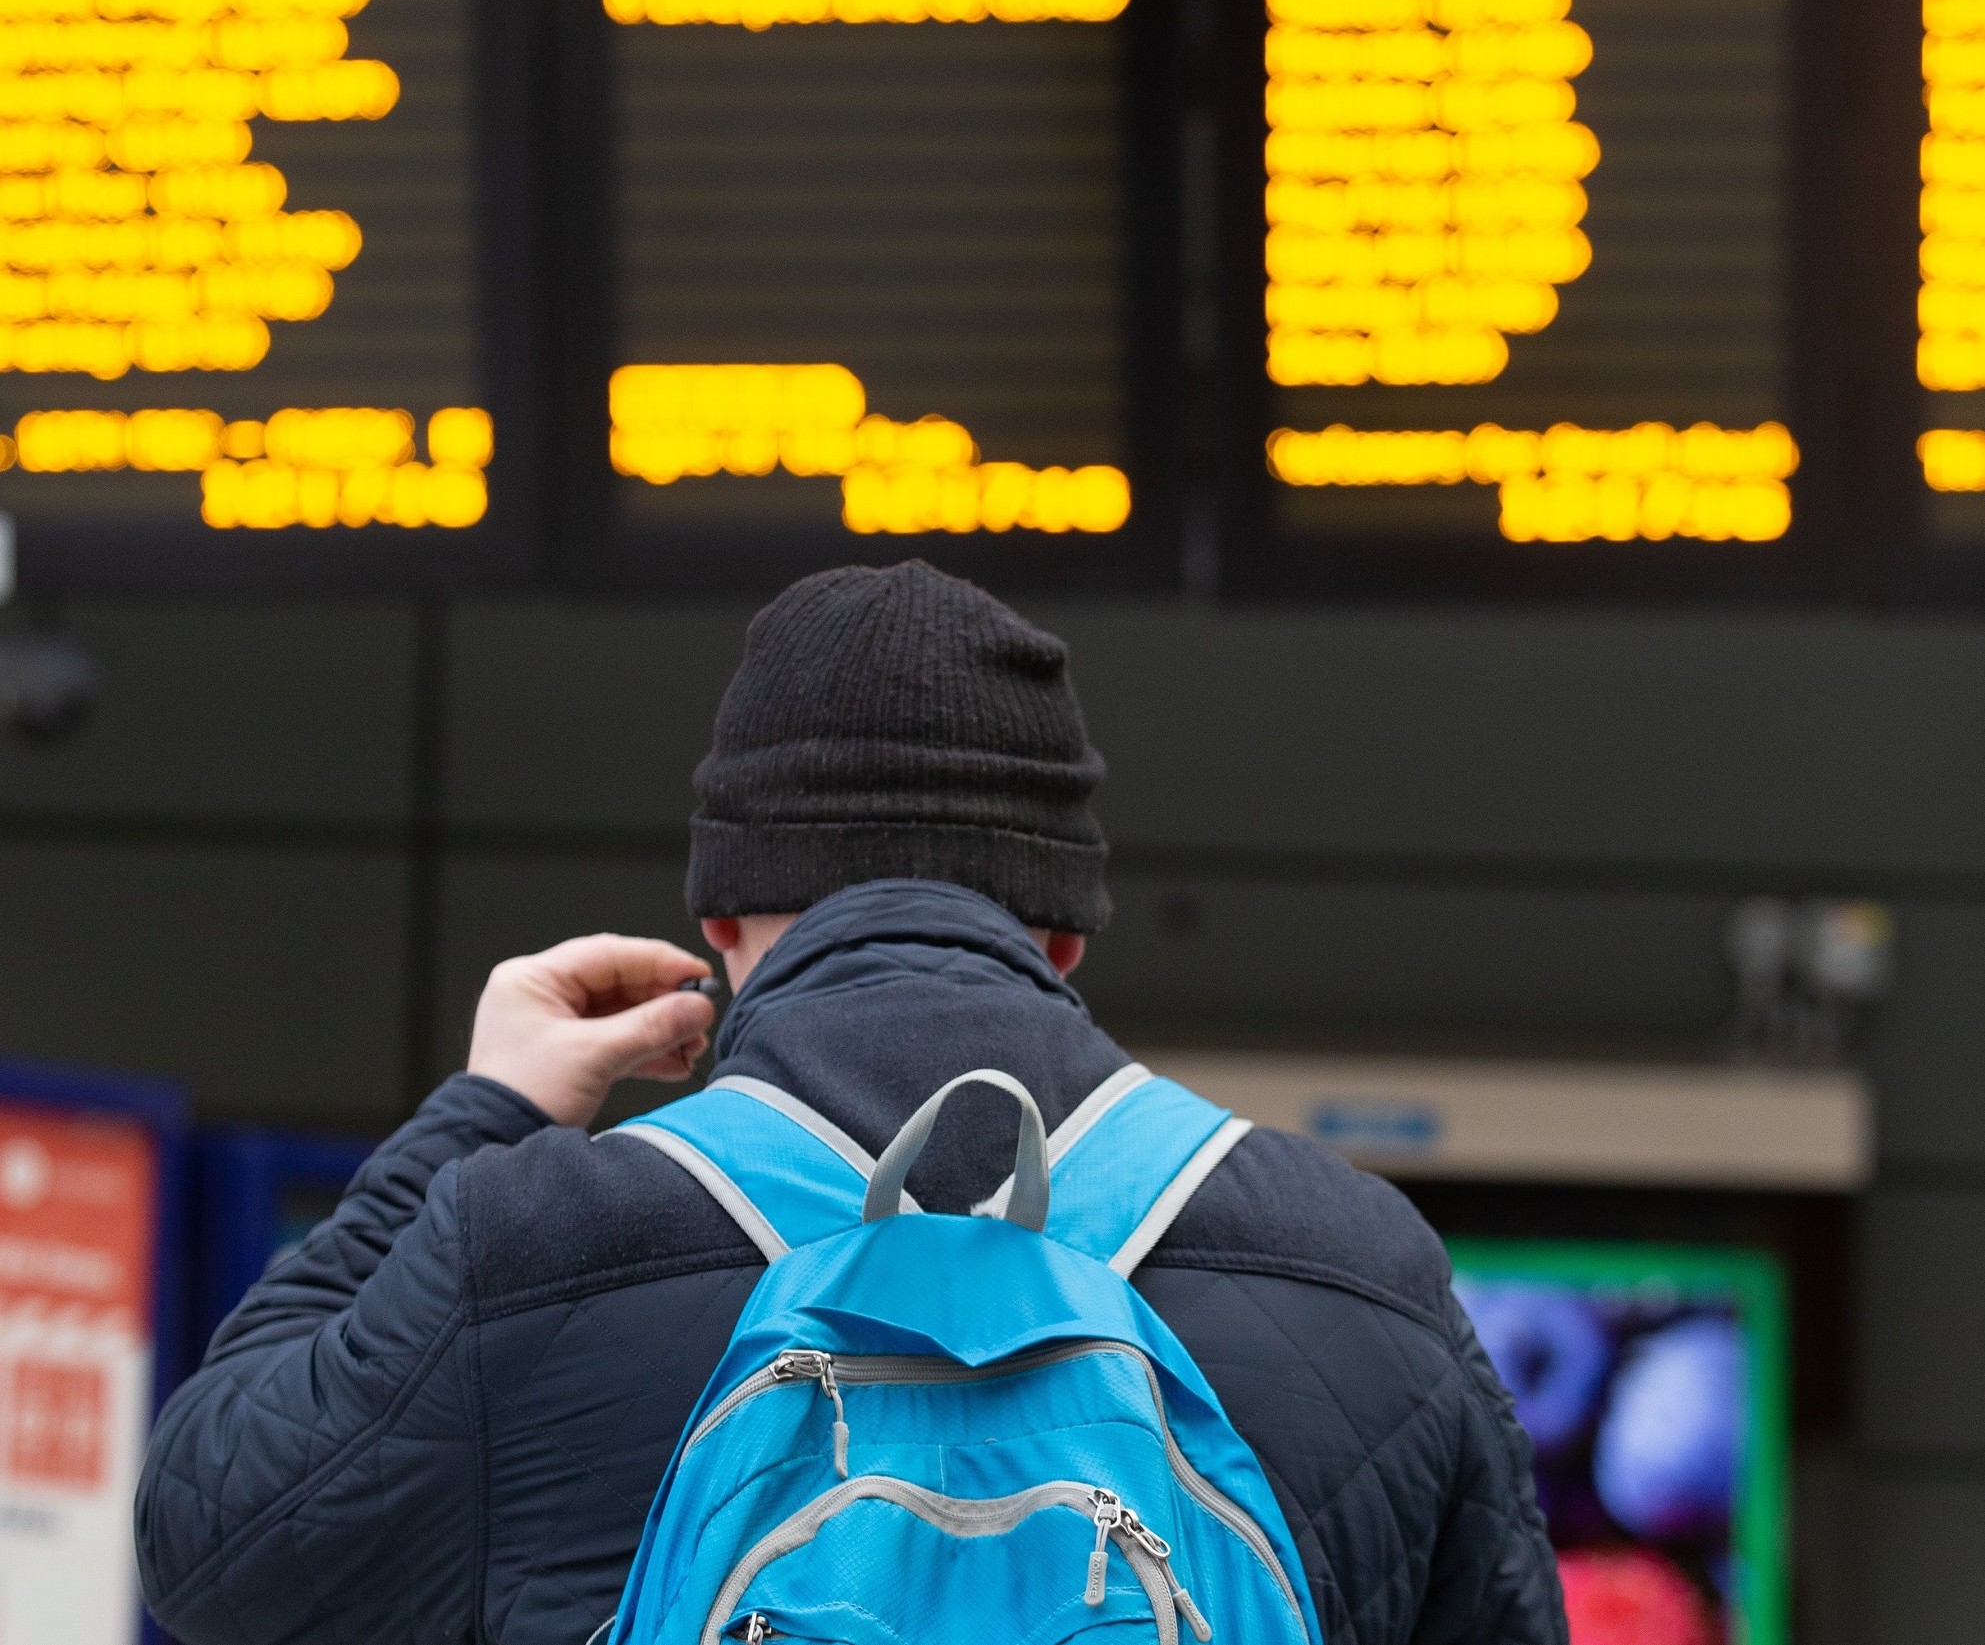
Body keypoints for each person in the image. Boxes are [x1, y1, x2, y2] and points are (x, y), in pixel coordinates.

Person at [137, 561, 1566, 1645]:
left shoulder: (532, 1242)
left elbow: (211, 1551)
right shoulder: (1359, 1269)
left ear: (723, 922)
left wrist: (482, 1107)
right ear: (1060, 929)